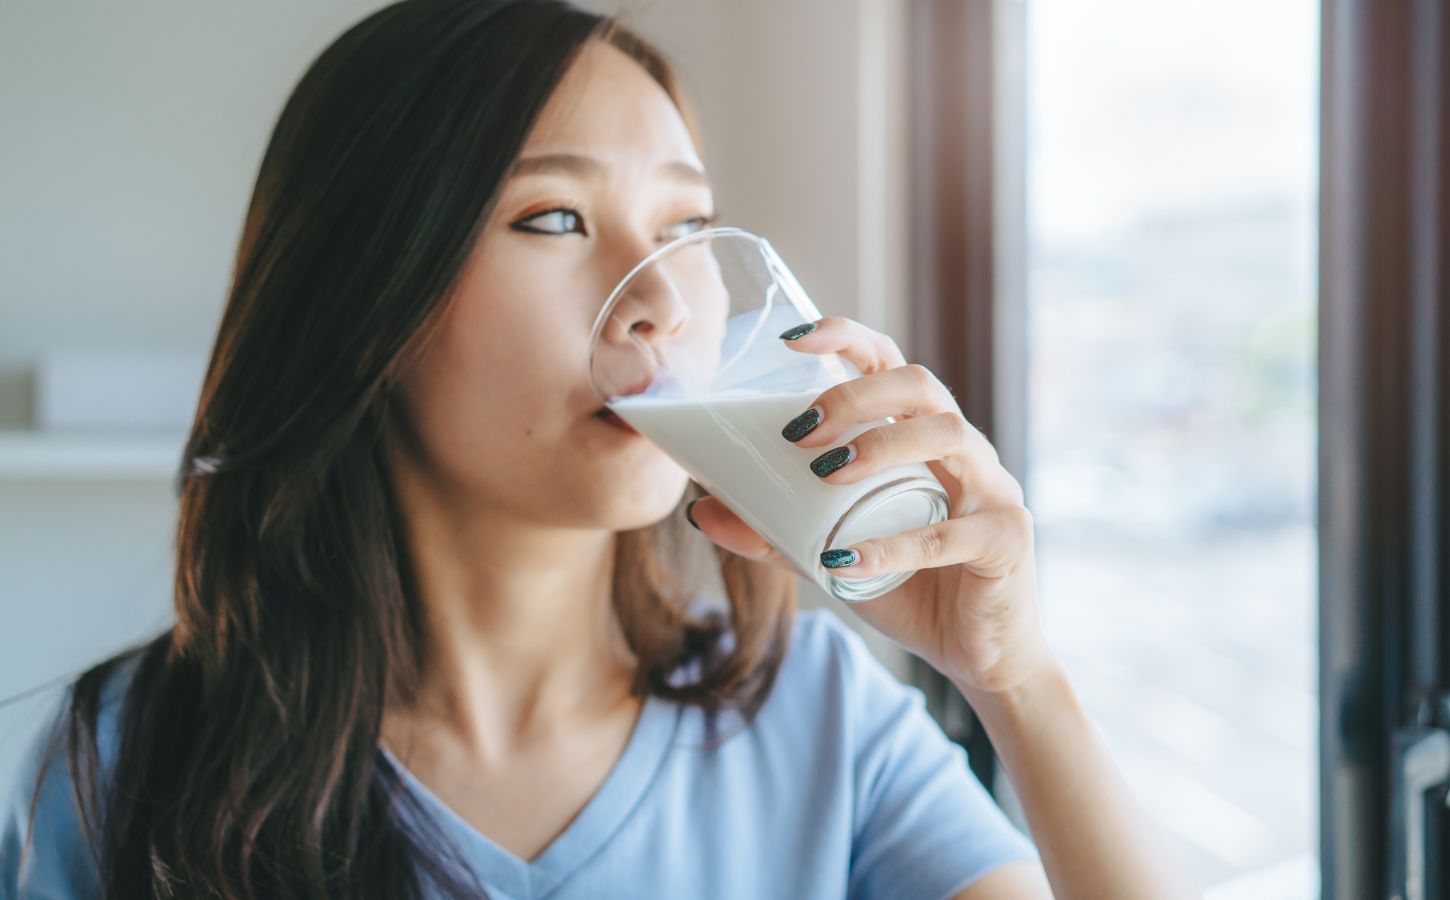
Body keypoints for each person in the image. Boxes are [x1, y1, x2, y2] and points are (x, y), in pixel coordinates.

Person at [0, 1, 1200, 897]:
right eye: (554, 218)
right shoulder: (129, 764)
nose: (662, 300)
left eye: (685, 226)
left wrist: (1016, 681)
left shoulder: (820, 726)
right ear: (368, 297)